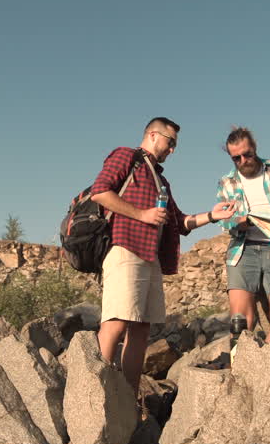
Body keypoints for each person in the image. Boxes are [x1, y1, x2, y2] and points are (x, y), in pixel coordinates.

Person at [90, 117, 236, 394]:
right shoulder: (126, 156)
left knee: (141, 331)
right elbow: (100, 191)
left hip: (150, 257)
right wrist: (142, 214)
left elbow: (179, 222)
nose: (173, 150)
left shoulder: (161, 180)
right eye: (171, 143)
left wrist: (212, 216)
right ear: (153, 135)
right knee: (116, 322)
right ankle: (94, 396)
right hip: (125, 248)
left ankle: (130, 400)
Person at [213, 127, 270, 349]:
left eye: (247, 154)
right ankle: (242, 376)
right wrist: (238, 222)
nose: (243, 161)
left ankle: (264, 372)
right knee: (241, 324)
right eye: (237, 158)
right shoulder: (226, 182)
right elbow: (224, 221)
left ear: (255, 147)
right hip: (243, 250)